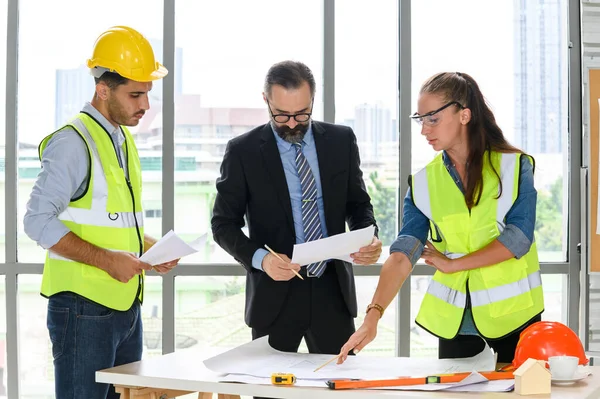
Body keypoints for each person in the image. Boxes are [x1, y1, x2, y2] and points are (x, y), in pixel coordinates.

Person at [338, 72, 544, 364]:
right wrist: (373, 316)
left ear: (464, 115)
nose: (424, 130)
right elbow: (402, 254)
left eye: (432, 118)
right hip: (456, 318)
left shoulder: (514, 166)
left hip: (515, 314)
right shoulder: (423, 183)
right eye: (420, 119)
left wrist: (453, 263)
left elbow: (518, 239)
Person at [23, 26, 178, 398]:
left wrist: (148, 249)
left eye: (147, 94)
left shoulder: (121, 138)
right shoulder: (72, 142)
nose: (145, 106)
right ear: (103, 89)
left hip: (125, 309)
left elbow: (109, 220)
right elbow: (36, 221)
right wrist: (108, 260)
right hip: (83, 312)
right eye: (135, 94)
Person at [211, 60, 383, 361]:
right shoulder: (243, 151)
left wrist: (367, 237)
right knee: (269, 392)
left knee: (339, 390)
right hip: (273, 295)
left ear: (313, 99)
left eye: (302, 114)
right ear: (266, 100)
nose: (292, 123)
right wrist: (261, 260)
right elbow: (223, 224)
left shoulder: (342, 141)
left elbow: (358, 204)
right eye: (281, 115)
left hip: (333, 292)